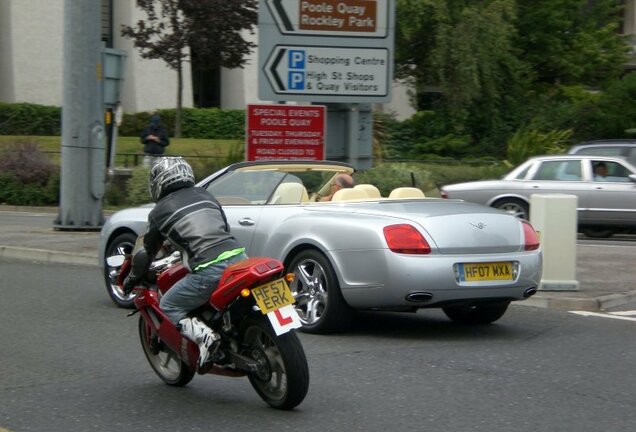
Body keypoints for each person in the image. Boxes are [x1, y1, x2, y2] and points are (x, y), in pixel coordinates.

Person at [122, 157, 247, 369]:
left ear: (159, 181)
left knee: (169, 304)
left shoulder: (160, 211)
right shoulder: (206, 195)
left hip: (209, 269)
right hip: (240, 260)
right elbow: (222, 229)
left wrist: (131, 279)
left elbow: (145, 253)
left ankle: (206, 337)